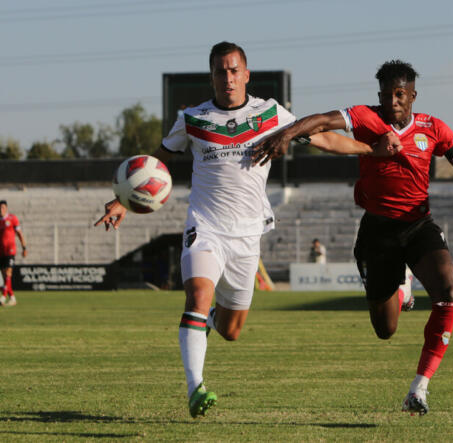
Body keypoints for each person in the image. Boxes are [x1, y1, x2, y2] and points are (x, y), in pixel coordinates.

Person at [95, 41, 399, 419]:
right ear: (212, 77)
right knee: (197, 297)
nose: (228, 78)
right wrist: (122, 199)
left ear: (246, 74)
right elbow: (156, 163)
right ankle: (195, 388)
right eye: (221, 71)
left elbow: (322, 138)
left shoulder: (271, 113)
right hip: (205, 227)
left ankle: (206, 323)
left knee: (232, 329)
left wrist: (371, 151)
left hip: (247, 235)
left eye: (234, 70)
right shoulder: (192, 118)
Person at [252, 59, 453, 415]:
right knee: (385, 330)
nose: (392, 102)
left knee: (448, 291)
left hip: (417, 224)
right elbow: (321, 121)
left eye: (400, 95)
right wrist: (287, 133)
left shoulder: (433, 127)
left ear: (413, 95)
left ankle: (419, 388)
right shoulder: (367, 117)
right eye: (386, 95)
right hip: (378, 232)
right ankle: (401, 284)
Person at [0, 200, 27, 307]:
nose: (1, 210)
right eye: (0, 208)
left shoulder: (12, 219)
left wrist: (24, 247)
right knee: (5, 277)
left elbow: (19, 234)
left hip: (10, 250)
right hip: (0, 252)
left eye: (3, 208)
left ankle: (3, 296)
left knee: (8, 272)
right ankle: (12, 298)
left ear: (6, 208)